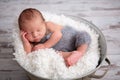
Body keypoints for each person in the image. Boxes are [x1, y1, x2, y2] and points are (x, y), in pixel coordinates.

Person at [18, 8, 91, 67]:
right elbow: (29, 54)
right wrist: (25, 41)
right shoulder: (33, 43)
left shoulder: (48, 25)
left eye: (38, 30)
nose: (35, 35)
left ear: (44, 23)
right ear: (23, 32)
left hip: (74, 38)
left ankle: (80, 52)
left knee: (84, 36)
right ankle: (72, 55)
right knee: (57, 54)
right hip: (64, 50)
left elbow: (58, 34)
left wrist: (45, 45)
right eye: (30, 33)